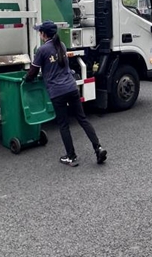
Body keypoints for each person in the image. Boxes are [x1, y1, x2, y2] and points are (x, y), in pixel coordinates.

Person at [25, 21, 106, 167]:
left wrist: (27, 79)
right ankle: (98, 148)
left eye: (40, 32)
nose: (39, 34)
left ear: (43, 34)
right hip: (71, 87)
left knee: (64, 125)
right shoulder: (61, 45)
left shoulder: (42, 50)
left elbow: (33, 71)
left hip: (57, 92)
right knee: (83, 119)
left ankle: (71, 156)